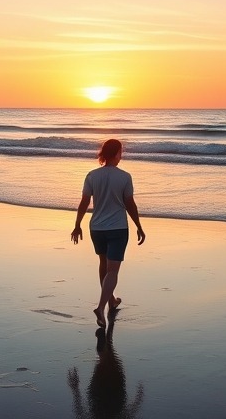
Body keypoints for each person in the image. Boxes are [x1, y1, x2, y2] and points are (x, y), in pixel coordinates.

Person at [71, 139, 145, 328]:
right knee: (113, 271)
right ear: (117, 153)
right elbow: (130, 204)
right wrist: (139, 225)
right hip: (118, 228)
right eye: (121, 152)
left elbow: (84, 202)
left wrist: (77, 225)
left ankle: (111, 300)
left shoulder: (92, 175)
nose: (122, 155)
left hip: (96, 228)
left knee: (103, 264)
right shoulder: (124, 177)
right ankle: (101, 307)